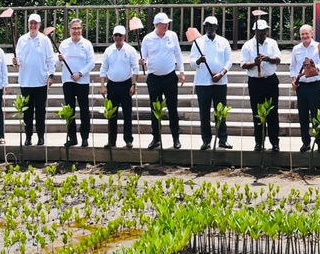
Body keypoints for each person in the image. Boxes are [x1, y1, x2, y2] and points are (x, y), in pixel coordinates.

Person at [140, 12, 184, 150]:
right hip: (154, 77)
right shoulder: (148, 39)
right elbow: (143, 58)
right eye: (163, 24)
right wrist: (141, 62)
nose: (166, 26)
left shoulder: (172, 36)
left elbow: (178, 54)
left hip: (170, 76)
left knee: (172, 108)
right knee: (155, 109)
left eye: (167, 24)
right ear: (156, 25)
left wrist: (181, 71)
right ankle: (156, 138)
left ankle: (176, 138)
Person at [190, 15, 233, 150]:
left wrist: (221, 74)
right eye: (207, 26)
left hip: (220, 82)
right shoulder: (198, 42)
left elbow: (229, 61)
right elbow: (191, 62)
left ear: (216, 27)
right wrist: (198, 61)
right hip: (203, 82)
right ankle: (206, 140)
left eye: (212, 26)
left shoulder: (223, 41)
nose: (209, 28)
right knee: (204, 112)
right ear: (205, 27)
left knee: (220, 112)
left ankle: (222, 139)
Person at [241, 18, 282, 153]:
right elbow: (243, 64)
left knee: (272, 113)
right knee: (257, 113)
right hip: (255, 82)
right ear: (255, 32)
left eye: (265, 32)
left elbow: (278, 60)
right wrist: (254, 63)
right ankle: (259, 142)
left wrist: (268, 59)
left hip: (270, 80)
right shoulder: (248, 45)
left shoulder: (272, 43)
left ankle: (274, 142)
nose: (263, 35)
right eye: (260, 32)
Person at [14, 13, 55, 146]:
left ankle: (41, 137)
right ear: (28, 24)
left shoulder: (44, 40)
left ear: (39, 25)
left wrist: (51, 75)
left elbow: (50, 59)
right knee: (27, 112)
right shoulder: (22, 39)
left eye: (35, 23)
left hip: (41, 81)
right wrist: (15, 62)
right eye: (31, 23)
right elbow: (18, 59)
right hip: (26, 81)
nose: (33, 26)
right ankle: (28, 137)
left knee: (40, 112)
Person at [99, 24, 139, 148]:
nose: (118, 37)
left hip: (126, 84)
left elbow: (135, 68)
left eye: (120, 35)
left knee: (127, 114)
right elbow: (103, 68)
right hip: (112, 85)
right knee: (112, 114)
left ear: (124, 36)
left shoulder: (130, 50)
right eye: (116, 35)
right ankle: (111, 140)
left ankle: (128, 139)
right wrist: (102, 85)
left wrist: (134, 84)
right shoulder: (109, 50)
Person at [289, 24, 320, 152]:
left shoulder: (318, 46)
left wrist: (315, 69)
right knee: (303, 116)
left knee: (316, 116)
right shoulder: (296, 49)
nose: (305, 36)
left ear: (312, 33)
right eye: (302, 34)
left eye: (307, 33)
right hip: (302, 86)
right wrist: (294, 80)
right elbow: (293, 67)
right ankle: (305, 142)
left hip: (315, 85)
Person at [59, 18, 95, 148]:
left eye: (78, 28)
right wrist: (59, 59)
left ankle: (84, 137)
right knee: (70, 110)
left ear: (82, 29)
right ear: (70, 30)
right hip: (68, 81)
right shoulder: (64, 44)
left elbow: (91, 63)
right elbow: (57, 63)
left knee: (84, 110)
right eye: (74, 28)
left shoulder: (87, 44)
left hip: (82, 81)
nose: (76, 31)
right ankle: (72, 137)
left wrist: (80, 73)